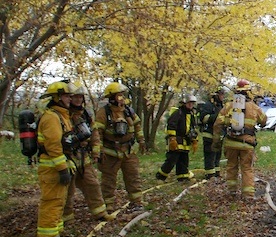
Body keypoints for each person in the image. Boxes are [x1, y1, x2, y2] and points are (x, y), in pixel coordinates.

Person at [64, 84, 114, 223]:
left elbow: (94, 133)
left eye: (80, 97)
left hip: (83, 157)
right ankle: (66, 217)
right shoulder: (64, 115)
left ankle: (100, 213)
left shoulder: (85, 115)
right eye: (75, 97)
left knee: (92, 185)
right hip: (68, 158)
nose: (78, 100)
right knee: (68, 190)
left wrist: (96, 152)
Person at [94, 82, 146, 211]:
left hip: (128, 151)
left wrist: (141, 140)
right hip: (110, 153)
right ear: (112, 97)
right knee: (108, 180)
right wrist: (99, 150)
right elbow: (97, 133)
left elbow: (137, 126)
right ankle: (108, 204)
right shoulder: (103, 113)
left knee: (133, 176)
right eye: (119, 95)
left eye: (123, 95)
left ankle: (136, 202)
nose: (122, 98)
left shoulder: (128, 111)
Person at [212, 79, 266, 200]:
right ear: (248, 92)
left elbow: (217, 124)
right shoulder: (254, 107)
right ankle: (248, 195)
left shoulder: (228, 106)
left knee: (231, 166)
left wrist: (216, 142)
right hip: (247, 143)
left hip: (230, 143)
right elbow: (264, 120)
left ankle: (231, 192)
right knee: (247, 168)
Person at [35, 81, 75, 237]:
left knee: (59, 200)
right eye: (66, 96)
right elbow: (53, 146)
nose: (70, 99)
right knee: (52, 200)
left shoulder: (61, 115)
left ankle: (55, 231)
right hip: (52, 167)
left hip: (56, 165)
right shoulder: (52, 117)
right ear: (56, 98)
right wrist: (62, 168)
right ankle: (48, 236)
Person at [156, 95, 199, 182]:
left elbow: (193, 129)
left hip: (185, 141)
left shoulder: (191, 115)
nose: (191, 105)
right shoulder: (178, 113)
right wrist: (172, 138)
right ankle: (160, 177)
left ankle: (182, 177)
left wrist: (194, 140)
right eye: (189, 103)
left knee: (184, 160)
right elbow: (171, 125)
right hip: (176, 140)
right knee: (172, 159)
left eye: (192, 103)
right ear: (184, 103)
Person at [197, 87, 228, 179]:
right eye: (221, 94)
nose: (223, 96)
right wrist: (217, 117)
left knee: (217, 155)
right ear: (216, 95)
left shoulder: (220, 106)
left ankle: (217, 173)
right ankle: (210, 175)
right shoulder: (208, 105)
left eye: (223, 94)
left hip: (218, 136)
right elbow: (203, 118)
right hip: (209, 135)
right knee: (210, 156)